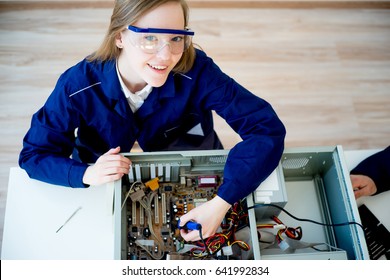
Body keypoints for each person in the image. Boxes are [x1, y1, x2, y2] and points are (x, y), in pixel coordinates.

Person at [19, 0, 286, 241]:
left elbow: (266, 130)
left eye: (176, 38)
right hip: (102, 164)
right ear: (120, 36)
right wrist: (86, 173)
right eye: (149, 38)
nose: (165, 56)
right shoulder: (77, 85)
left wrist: (221, 203)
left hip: (189, 142)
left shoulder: (199, 71)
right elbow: (34, 155)